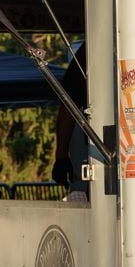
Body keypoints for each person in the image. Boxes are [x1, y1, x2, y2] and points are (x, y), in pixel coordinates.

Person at [52, 43, 89, 200]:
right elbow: (69, 105)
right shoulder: (89, 50)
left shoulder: (90, 49)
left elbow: (67, 107)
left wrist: (61, 156)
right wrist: (61, 157)